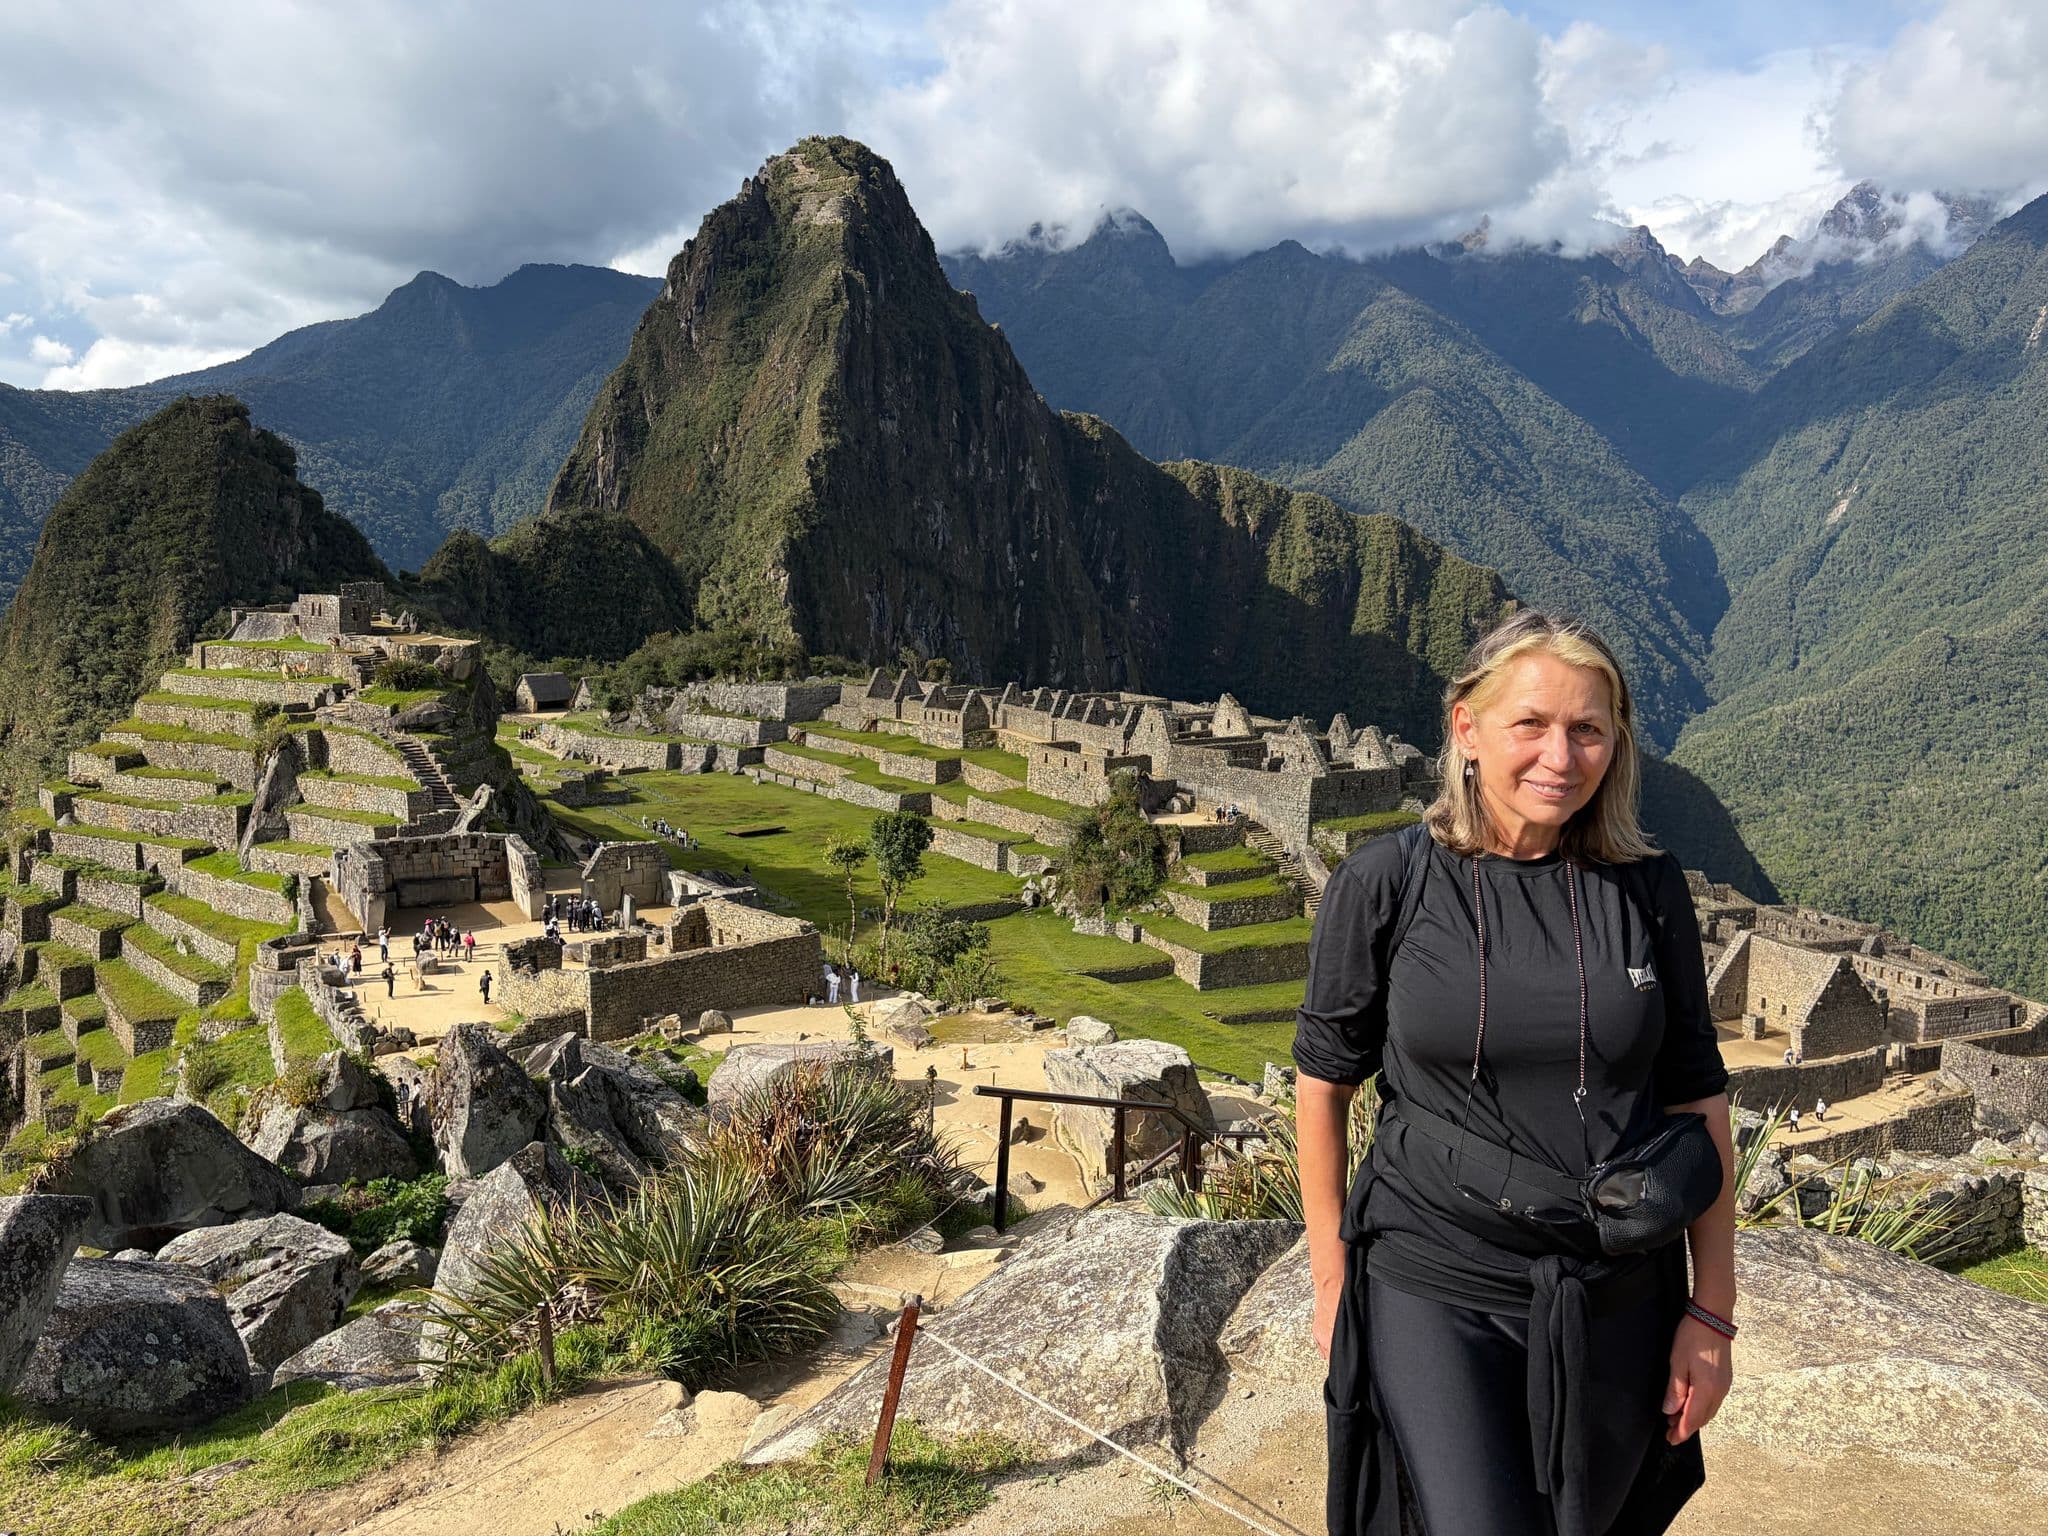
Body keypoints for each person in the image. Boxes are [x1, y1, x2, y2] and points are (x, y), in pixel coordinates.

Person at [1296, 611, 1735, 1536]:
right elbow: (1324, 1083)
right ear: (1466, 727)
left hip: (1616, 1287)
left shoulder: (1647, 890)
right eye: (1530, 724)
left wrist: (1712, 1313)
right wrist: (1333, 1280)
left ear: (1616, 743)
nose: (1561, 756)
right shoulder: (1386, 884)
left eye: (1588, 729)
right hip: (1435, 1275)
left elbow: (1698, 1096)